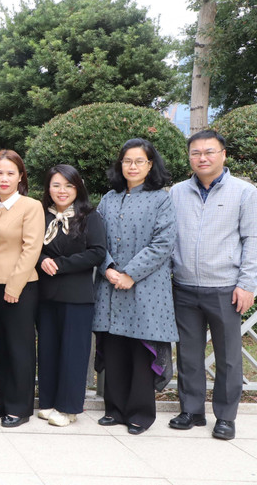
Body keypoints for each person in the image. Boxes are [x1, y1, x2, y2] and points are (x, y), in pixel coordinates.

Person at [169, 129, 257, 441]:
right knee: (188, 354)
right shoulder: (176, 193)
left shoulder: (245, 192)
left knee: (227, 357)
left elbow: (254, 240)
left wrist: (247, 283)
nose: (203, 158)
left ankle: (225, 416)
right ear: (189, 158)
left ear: (223, 154)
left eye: (209, 152)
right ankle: (192, 410)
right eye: (196, 153)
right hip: (183, 286)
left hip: (226, 287)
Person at [93, 137, 177, 435]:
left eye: (139, 161)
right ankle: (114, 409)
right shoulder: (109, 198)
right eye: (127, 161)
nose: (132, 166)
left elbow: (163, 243)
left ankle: (140, 413)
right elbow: (96, 240)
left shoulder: (161, 198)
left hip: (146, 287)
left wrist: (130, 273)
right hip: (111, 283)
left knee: (141, 350)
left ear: (150, 164)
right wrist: (110, 269)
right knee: (114, 347)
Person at [35, 164, 106, 427]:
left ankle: (69, 407)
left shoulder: (89, 216)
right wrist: (42, 259)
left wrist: (61, 264)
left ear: (78, 188)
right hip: (45, 294)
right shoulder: (41, 216)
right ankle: (49, 402)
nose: (62, 191)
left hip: (76, 295)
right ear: (48, 188)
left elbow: (97, 252)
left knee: (73, 352)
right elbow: (29, 245)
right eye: (56, 185)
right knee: (48, 349)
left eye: (68, 185)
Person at [0, 150, 45, 428]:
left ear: (21, 176)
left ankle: (19, 406)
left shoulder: (31, 207)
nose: (4, 178)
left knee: (18, 347)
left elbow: (32, 248)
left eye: (10, 173)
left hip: (18, 286)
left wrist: (14, 285)